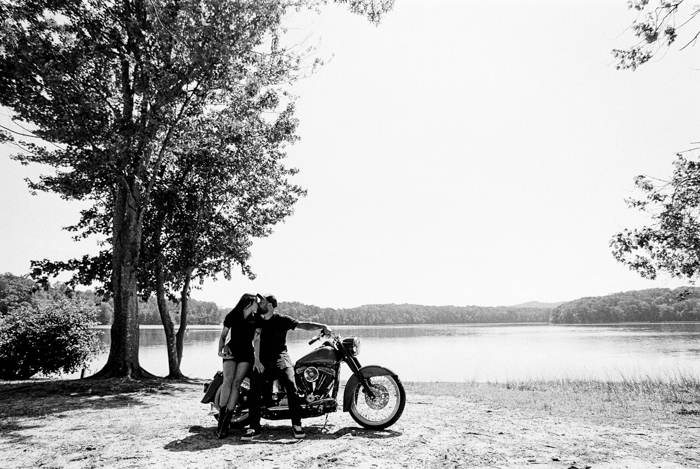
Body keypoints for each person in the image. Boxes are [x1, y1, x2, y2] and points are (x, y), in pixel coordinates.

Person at [241, 294, 331, 441]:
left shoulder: (282, 320)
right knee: (255, 388)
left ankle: (296, 424)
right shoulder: (257, 319)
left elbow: (303, 325)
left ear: (269, 305)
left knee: (291, 385)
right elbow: (255, 338)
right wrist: (256, 360)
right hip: (262, 360)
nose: (259, 303)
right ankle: (254, 428)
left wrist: (323, 326)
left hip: (280, 358)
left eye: (261, 301)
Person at [215, 293, 259, 439]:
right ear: (248, 302)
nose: (257, 304)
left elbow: (257, 339)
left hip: (246, 354)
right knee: (227, 381)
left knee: (236, 384)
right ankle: (221, 420)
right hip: (231, 352)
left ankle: (227, 422)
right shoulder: (232, 315)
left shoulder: (255, 318)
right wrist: (221, 350)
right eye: (255, 302)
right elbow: (223, 336)